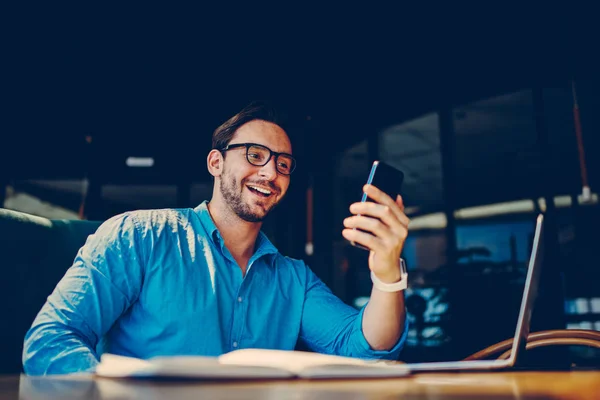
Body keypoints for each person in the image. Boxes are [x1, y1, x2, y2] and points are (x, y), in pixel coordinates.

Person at [22, 102, 410, 375]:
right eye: (255, 154)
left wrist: (387, 270)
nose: (270, 172)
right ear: (216, 162)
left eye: (283, 164)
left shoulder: (293, 279)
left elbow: (366, 350)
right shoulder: (139, 236)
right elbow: (52, 337)